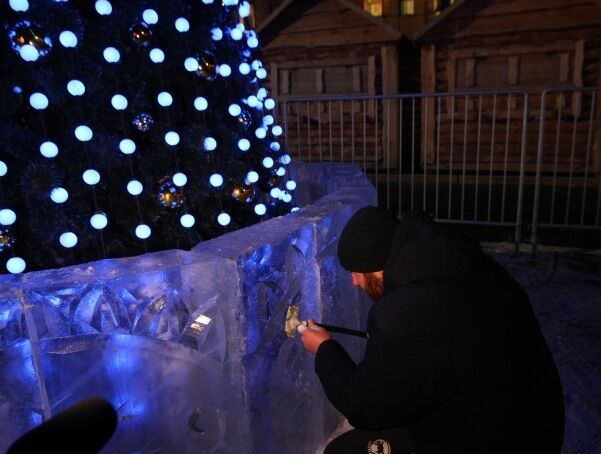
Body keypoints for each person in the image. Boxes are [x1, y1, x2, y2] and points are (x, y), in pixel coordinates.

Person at [298, 207, 564, 453]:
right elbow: (446, 342)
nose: (354, 282)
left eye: (356, 272)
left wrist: (324, 349)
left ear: (377, 269)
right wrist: (393, 345)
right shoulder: (461, 265)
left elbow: (365, 406)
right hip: (526, 419)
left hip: (497, 439)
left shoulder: (410, 311)